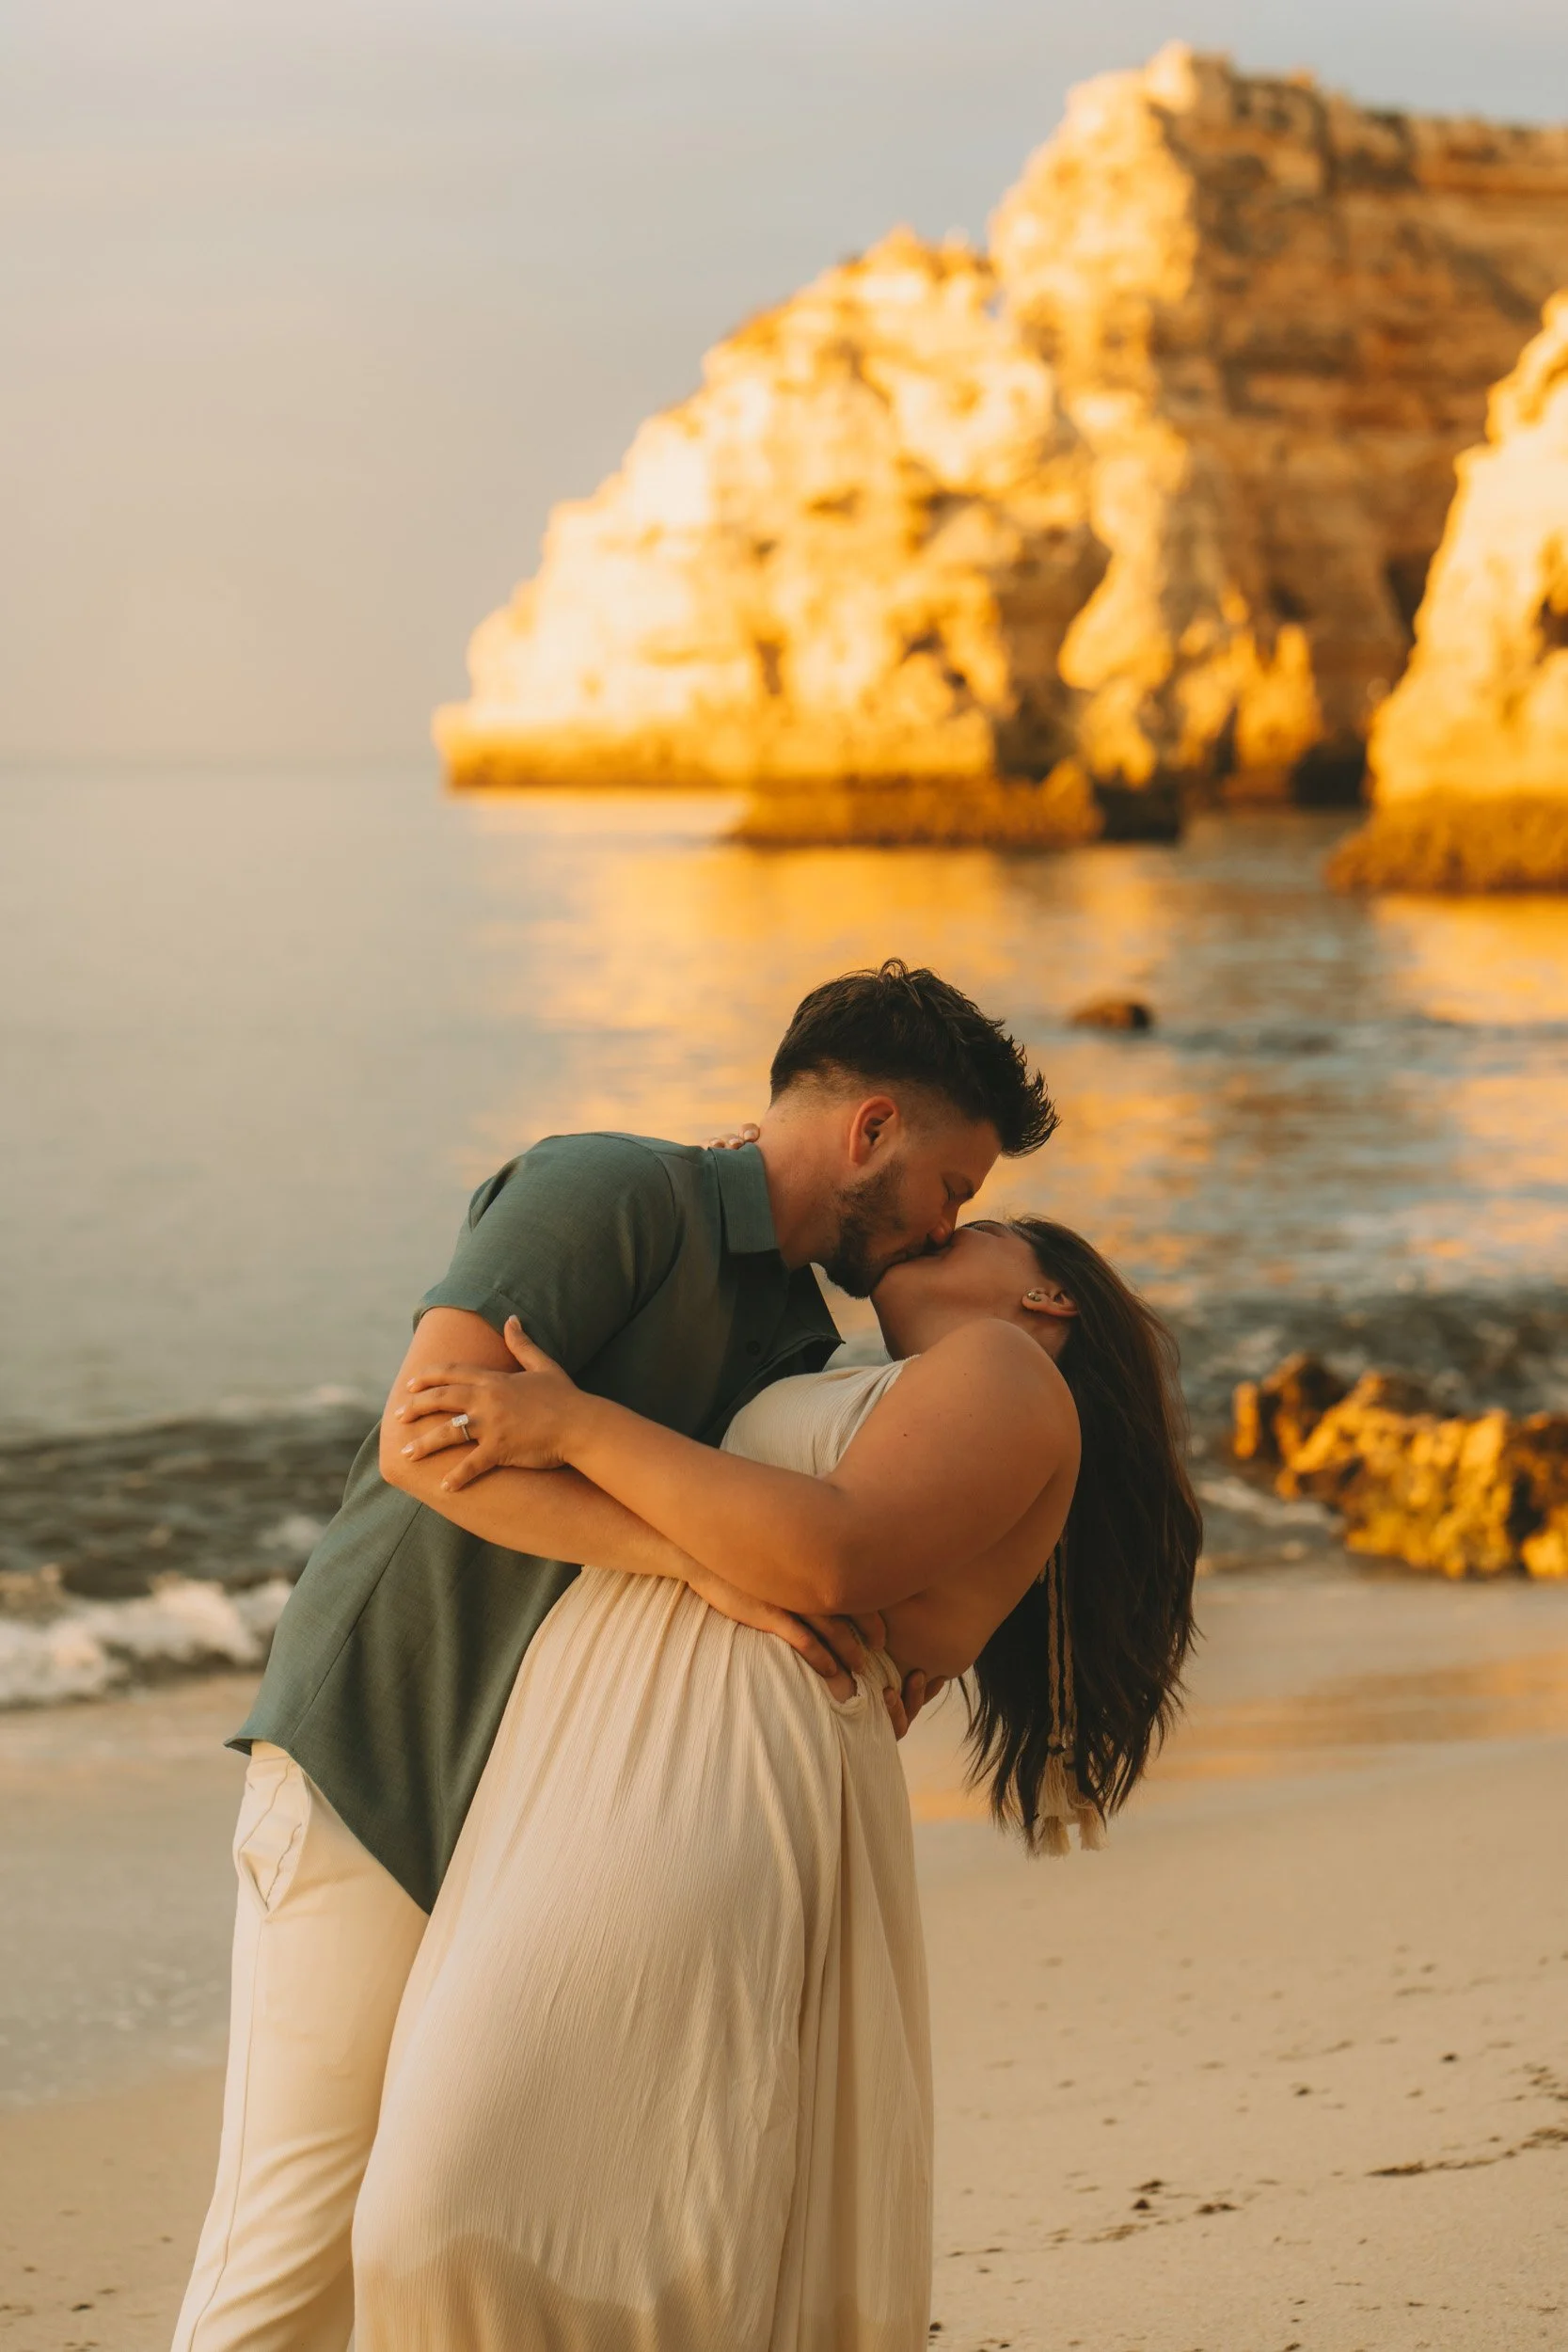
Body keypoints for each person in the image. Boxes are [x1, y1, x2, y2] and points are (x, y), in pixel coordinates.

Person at [172, 961, 1058, 2352]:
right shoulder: (609, 1192)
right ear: (872, 1129)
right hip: (383, 1755)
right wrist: (702, 1565)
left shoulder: (795, 1339)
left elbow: (819, 1530)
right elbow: (424, 1440)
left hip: (532, 1831)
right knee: (292, 2257)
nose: (946, 1223)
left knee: (444, 2230)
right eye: (951, 1183)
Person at [350, 1216, 1201, 2349]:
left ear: (1046, 1300)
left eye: (979, 1219)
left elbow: (828, 1555)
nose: (947, 1220)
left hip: (710, 1769)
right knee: (535, 2199)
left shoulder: (1007, 1368)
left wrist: (576, 1423)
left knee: (465, 2200)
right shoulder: (881, 1385)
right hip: (595, 1762)